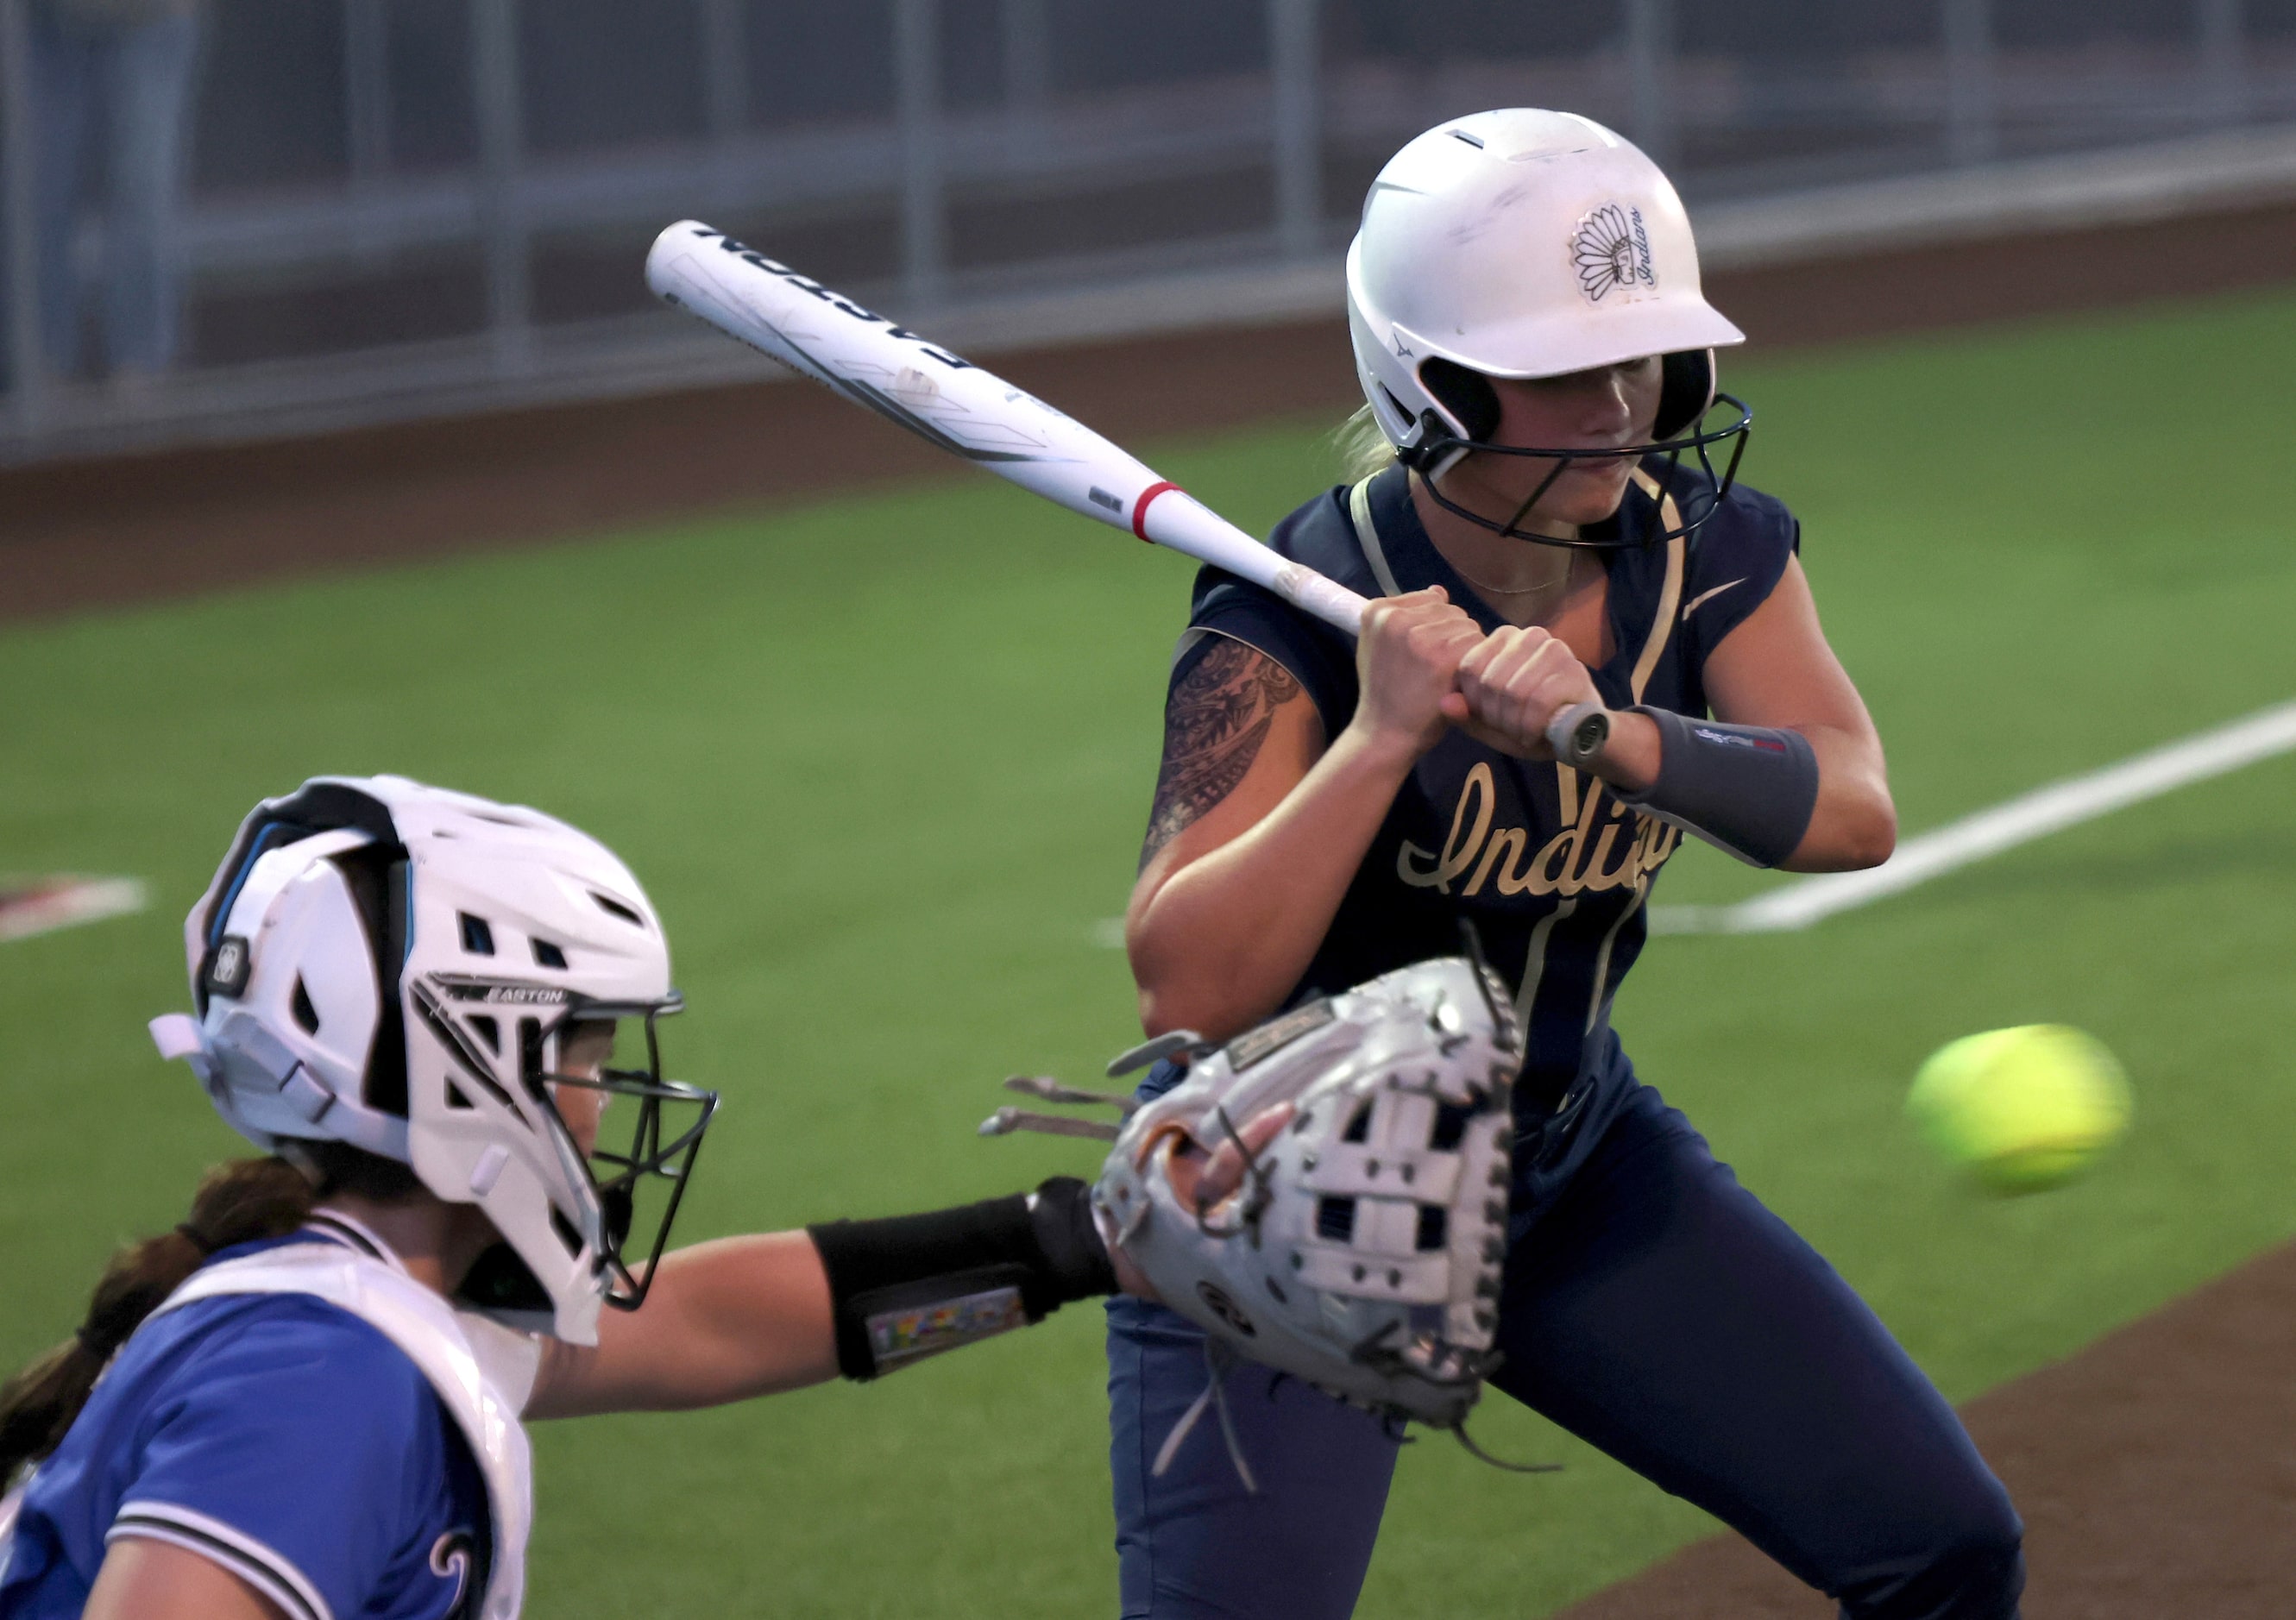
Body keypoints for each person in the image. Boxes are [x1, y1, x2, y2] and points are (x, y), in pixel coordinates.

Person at [1106, 109, 2025, 1619]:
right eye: (1559, 373)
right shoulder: (1296, 601)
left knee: (1943, 1546)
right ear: (1434, 380)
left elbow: (1851, 807)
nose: (1616, 406)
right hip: (1277, 1199)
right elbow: (1181, 979)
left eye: (1642, 360)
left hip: (1569, 1165)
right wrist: (1379, 737)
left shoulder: (1710, 543)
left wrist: (1605, 732)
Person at [0, 774, 1268, 1620]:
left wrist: (1086, 1239)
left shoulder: (370, 1308)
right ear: (468, 1060)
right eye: (589, 1048)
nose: (608, 1096)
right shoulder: (321, 1377)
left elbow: (714, 1321)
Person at [24, 0, 203, 387]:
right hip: (43, 23)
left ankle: (140, 375)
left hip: (150, 18)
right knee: (36, 197)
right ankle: (38, 370)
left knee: (141, 192)